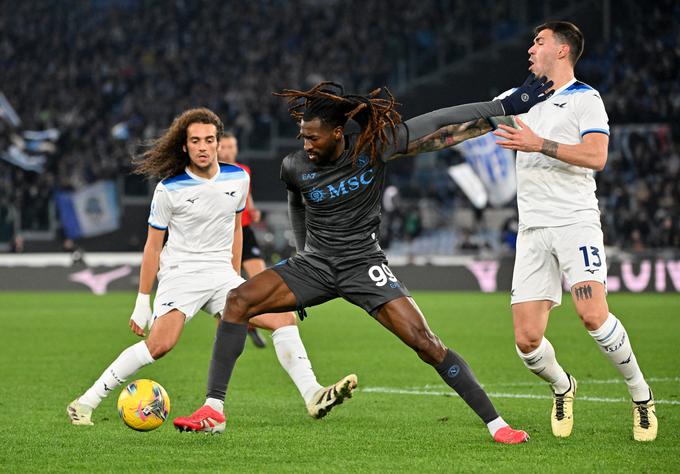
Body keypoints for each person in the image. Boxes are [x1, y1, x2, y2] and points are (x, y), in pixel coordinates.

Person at [174, 77, 554, 443]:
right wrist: (303, 250)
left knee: (427, 343)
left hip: (363, 265)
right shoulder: (295, 166)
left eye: (312, 136)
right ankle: (213, 410)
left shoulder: (374, 146)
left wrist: (504, 106)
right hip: (315, 266)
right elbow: (296, 201)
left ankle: (497, 424)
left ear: (338, 133)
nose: (305, 143)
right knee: (237, 302)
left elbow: (440, 119)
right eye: (302, 136)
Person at [67, 108, 355, 430]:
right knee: (160, 345)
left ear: (219, 143)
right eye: (195, 141)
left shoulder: (238, 178)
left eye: (209, 140)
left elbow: (236, 230)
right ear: (185, 147)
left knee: (283, 318)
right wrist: (141, 300)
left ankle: (313, 394)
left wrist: (235, 282)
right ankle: (85, 402)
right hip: (181, 274)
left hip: (221, 274)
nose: (203, 147)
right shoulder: (168, 189)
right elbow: (152, 246)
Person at [492, 21, 657, 441]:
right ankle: (563, 385)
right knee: (527, 341)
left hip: (575, 222)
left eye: (539, 41)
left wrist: (539, 144)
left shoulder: (586, 99)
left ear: (562, 51)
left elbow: (597, 155)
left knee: (593, 315)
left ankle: (641, 394)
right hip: (532, 231)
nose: (530, 47)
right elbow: (467, 124)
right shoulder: (517, 100)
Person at [218, 131, 267, 348]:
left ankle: (253, 324)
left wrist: (253, 210)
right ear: (217, 149)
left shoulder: (243, 170)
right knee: (225, 287)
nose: (228, 151)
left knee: (261, 280)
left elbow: (248, 197)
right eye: (224, 147)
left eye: (231, 147)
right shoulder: (212, 174)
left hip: (245, 231)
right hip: (222, 234)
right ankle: (228, 335)